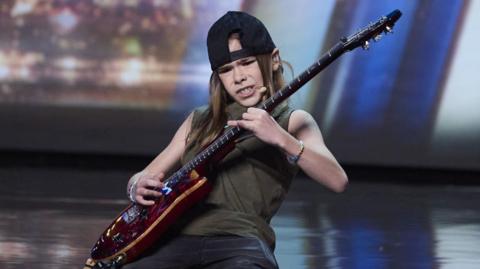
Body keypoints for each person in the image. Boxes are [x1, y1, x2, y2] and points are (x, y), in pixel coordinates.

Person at [123, 11, 348, 269]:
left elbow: (337, 180)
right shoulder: (199, 120)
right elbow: (143, 175)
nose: (238, 77)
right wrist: (137, 185)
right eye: (226, 70)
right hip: (175, 239)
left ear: (274, 60)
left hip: (241, 244)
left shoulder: (293, 121)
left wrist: (281, 138)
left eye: (247, 63)